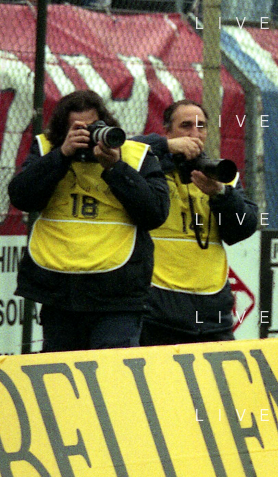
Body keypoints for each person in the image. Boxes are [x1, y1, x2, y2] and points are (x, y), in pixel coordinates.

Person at [8, 89, 169, 351]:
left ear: (106, 123)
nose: (87, 135)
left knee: (112, 369)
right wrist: (61, 155)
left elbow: (155, 213)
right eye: (77, 129)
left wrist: (116, 168)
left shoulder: (135, 155)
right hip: (60, 289)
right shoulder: (48, 149)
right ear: (63, 130)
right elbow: (22, 197)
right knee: (62, 370)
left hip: (117, 292)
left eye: (93, 127)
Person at [133, 100, 258, 345]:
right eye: (186, 125)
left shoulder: (221, 174)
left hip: (211, 308)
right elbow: (119, 147)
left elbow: (244, 226)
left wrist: (220, 193)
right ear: (167, 131)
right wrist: (165, 148)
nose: (194, 133)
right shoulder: (148, 167)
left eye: (201, 126)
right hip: (159, 307)